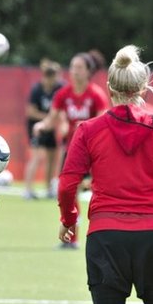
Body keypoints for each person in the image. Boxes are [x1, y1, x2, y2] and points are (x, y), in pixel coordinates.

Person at [57, 45, 153, 304]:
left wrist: (69, 220)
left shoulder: (88, 130)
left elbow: (67, 184)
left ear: (108, 87)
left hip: (105, 239)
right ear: (144, 87)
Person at [33, 49, 110, 249]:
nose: (74, 71)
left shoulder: (96, 94)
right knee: (68, 191)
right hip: (74, 152)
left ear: (88, 71)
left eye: (79, 67)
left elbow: (104, 121)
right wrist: (42, 125)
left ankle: (103, 234)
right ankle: (72, 237)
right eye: (73, 67)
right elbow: (52, 118)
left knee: (100, 192)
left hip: (95, 152)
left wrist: (86, 126)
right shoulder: (63, 94)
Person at [23, 58, 64, 200]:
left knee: (53, 157)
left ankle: (49, 188)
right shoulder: (37, 89)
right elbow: (31, 111)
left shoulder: (60, 88)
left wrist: (53, 121)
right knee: (37, 157)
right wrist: (48, 117)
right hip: (36, 126)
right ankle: (28, 190)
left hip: (50, 127)